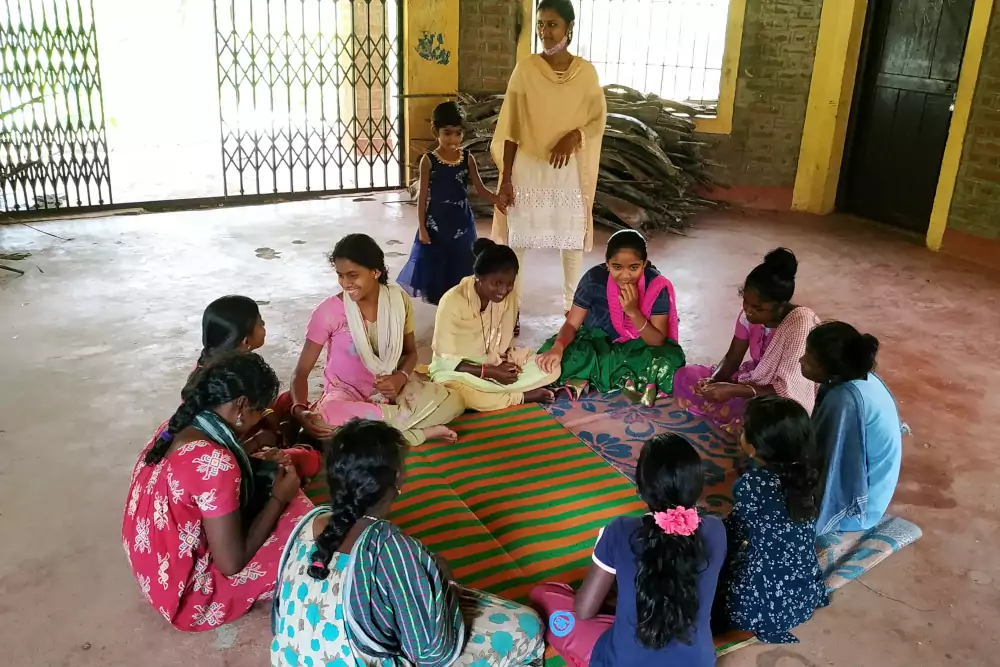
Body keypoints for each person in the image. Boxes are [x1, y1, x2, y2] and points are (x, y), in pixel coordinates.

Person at [270, 419, 545, 667]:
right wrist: (440, 582)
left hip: (290, 658)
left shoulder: (310, 521)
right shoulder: (390, 548)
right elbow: (432, 653)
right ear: (398, 479)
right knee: (526, 624)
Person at [122, 351, 314, 631]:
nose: (259, 419)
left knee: (280, 493)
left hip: (155, 568)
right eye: (259, 411)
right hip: (189, 598)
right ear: (241, 405)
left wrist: (252, 454)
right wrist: (277, 498)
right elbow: (231, 563)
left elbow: (198, 480)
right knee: (307, 528)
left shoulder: (178, 427)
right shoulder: (217, 464)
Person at [531, 434, 726, 667]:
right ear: (697, 485)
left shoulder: (620, 530)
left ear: (640, 488)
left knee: (545, 596)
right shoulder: (716, 529)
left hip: (623, 661)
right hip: (698, 661)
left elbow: (583, 610)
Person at [289, 234, 464, 447]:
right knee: (324, 417)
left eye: (353, 275)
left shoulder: (397, 302)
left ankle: (373, 432)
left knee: (454, 401)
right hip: (345, 394)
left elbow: (410, 353)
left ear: (376, 272)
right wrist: (299, 410)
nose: (346, 283)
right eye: (340, 275)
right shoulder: (328, 313)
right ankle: (415, 432)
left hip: (392, 390)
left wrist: (400, 377)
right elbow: (301, 372)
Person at [492, 0, 607, 319]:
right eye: (541, 24)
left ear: (570, 27)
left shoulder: (586, 74)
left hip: (567, 169)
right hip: (528, 166)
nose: (545, 31)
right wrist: (506, 178)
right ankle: (510, 310)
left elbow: (598, 119)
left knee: (570, 241)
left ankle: (573, 310)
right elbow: (511, 128)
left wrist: (575, 136)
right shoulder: (526, 70)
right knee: (518, 240)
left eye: (552, 24)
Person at [714, 396, 828, 643]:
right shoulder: (808, 477)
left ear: (753, 448)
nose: (739, 432)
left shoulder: (751, 485)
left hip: (760, 607)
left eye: (744, 430)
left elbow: (732, 537)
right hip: (803, 596)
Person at [673, 248, 819, 433]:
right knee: (685, 375)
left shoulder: (799, 324)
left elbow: (791, 393)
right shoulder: (748, 318)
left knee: (767, 421)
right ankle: (736, 420)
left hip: (779, 400)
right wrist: (713, 380)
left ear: (781, 305)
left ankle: (743, 424)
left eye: (758, 308)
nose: (748, 311)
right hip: (753, 378)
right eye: (746, 303)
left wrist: (734, 391)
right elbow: (733, 358)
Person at [537, 229, 685, 403]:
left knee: (669, 361)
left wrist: (633, 312)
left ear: (644, 264)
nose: (625, 275)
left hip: (639, 349)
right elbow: (571, 325)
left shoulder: (656, 285)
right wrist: (558, 348)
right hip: (596, 346)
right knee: (553, 355)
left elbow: (657, 341)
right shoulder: (593, 279)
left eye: (634, 267)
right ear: (607, 264)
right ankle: (623, 377)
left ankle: (598, 375)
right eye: (617, 267)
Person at [192, 295, 321, 478]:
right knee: (309, 459)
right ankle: (297, 448)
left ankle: (286, 441)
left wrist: (268, 418)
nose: (264, 324)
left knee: (288, 399)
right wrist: (258, 441)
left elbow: (256, 408)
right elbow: (225, 452)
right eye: (260, 323)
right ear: (245, 341)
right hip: (232, 455)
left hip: (242, 429)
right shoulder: (229, 381)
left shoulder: (218, 367)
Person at [430, 238, 559, 410]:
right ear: (479, 278)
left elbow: (502, 343)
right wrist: (488, 372)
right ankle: (518, 397)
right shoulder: (452, 301)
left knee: (552, 368)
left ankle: (496, 393)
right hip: (458, 371)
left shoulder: (509, 298)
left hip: (494, 361)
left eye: (509, 283)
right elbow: (445, 359)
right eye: (496, 283)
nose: (503, 291)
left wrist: (502, 364)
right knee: (453, 392)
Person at [800, 322, 904, 534]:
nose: (801, 360)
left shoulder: (843, 401)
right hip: (876, 488)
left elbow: (831, 464)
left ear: (829, 368)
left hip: (860, 511)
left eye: (809, 359)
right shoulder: (858, 376)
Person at [397, 101, 501, 306]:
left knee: (464, 262)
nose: (453, 139)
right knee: (440, 269)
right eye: (447, 133)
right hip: (437, 223)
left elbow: (481, 189)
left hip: (462, 222)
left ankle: (462, 306)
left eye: (458, 133)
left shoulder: (467, 158)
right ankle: (444, 310)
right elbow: (423, 196)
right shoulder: (428, 161)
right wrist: (422, 227)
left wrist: (498, 200)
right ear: (435, 131)